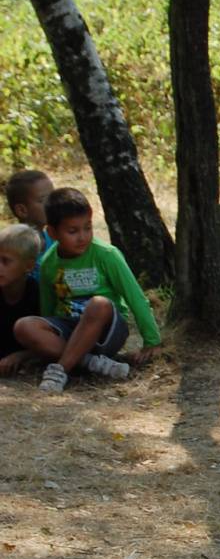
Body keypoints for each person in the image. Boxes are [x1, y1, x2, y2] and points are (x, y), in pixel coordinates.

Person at [15, 186, 161, 393]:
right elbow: (48, 308)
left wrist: (152, 341)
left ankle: (60, 370)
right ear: (52, 233)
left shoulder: (106, 254)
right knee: (24, 326)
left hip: (106, 329)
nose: (82, 237)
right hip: (69, 328)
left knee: (98, 304)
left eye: (87, 227)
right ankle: (91, 362)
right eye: (73, 231)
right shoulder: (49, 262)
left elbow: (135, 297)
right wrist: (43, 341)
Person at [0, 223, 42, 376]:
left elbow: (48, 340)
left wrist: (21, 356)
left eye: (5, 261)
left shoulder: (37, 294)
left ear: (29, 266)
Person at [5, 168, 55, 276]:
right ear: (22, 210)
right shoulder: (9, 251)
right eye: (43, 200)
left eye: (53, 197)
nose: (53, 203)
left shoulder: (56, 241)